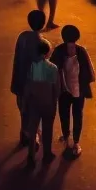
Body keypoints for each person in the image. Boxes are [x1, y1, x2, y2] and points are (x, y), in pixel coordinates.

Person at [51, 24, 96, 159]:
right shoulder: (81, 51)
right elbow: (91, 72)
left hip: (63, 91)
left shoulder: (58, 51)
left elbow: (53, 70)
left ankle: (66, 137)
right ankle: (76, 142)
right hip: (78, 91)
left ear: (63, 37)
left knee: (64, 113)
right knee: (77, 115)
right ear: (77, 37)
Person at [10, 9, 47, 147]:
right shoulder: (40, 42)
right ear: (43, 24)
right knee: (34, 114)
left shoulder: (22, 36)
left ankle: (23, 135)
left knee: (23, 111)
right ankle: (33, 139)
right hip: (32, 86)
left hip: (19, 81)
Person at [22, 39, 60, 167]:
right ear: (47, 53)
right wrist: (55, 101)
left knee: (33, 131)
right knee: (47, 129)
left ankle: (31, 156)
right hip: (48, 104)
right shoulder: (52, 68)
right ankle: (47, 154)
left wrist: (24, 103)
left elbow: (28, 87)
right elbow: (56, 89)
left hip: (34, 104)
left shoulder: (33, 67)